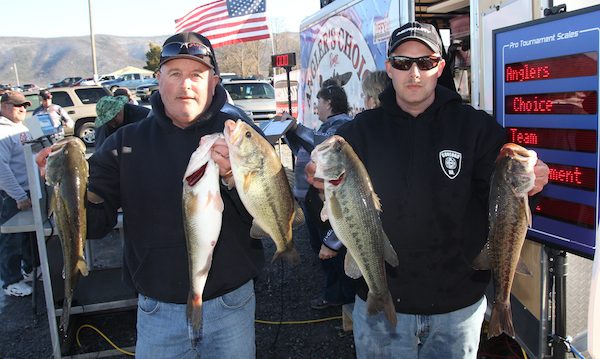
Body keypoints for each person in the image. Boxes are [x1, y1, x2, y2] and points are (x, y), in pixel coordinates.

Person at [306, 22, 549, 358]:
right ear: (389, 68)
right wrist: (319, 188)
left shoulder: (477, 128)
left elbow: (506, 193)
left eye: (426, 62)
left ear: (440, 67)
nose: (414, 73)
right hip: (381, 303)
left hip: (457, 309)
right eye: (403, 63)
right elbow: (324, 212)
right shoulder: (356, 134)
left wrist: (534, 177)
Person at [37, 32, 264, 357]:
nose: (186, 84)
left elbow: (268, 215)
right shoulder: (124, 142)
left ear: (213, 81)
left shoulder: (239, 136)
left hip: (231, 305)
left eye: (196, 75)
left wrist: (233, 177)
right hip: (158, 311)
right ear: (159, 80)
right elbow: (97, 223)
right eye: (175, 73)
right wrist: (61, 183)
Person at [285, 80, 355, 310]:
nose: (317, 108)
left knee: (333, 250)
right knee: (321, 249)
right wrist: (289, 132)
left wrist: (297, 128)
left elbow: (321, 144)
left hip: (328, 200)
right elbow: (303, 150)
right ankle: (336, 292)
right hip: (313, 200)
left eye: (320, 103)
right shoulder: (324, 127)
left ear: (330, 103)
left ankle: (341, 296)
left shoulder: (342, 127)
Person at [0, 91, 37, 297]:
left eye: (24, 105)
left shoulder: (25, 125)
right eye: (17, 105)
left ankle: (30, 268)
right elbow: (1, 168)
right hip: (11, 194)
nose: (22, 108)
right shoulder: (2, 132)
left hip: (30, 188)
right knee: (10, 238)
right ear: (4, 106)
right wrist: (18, 196)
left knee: (29, 235)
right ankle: (10, 281)